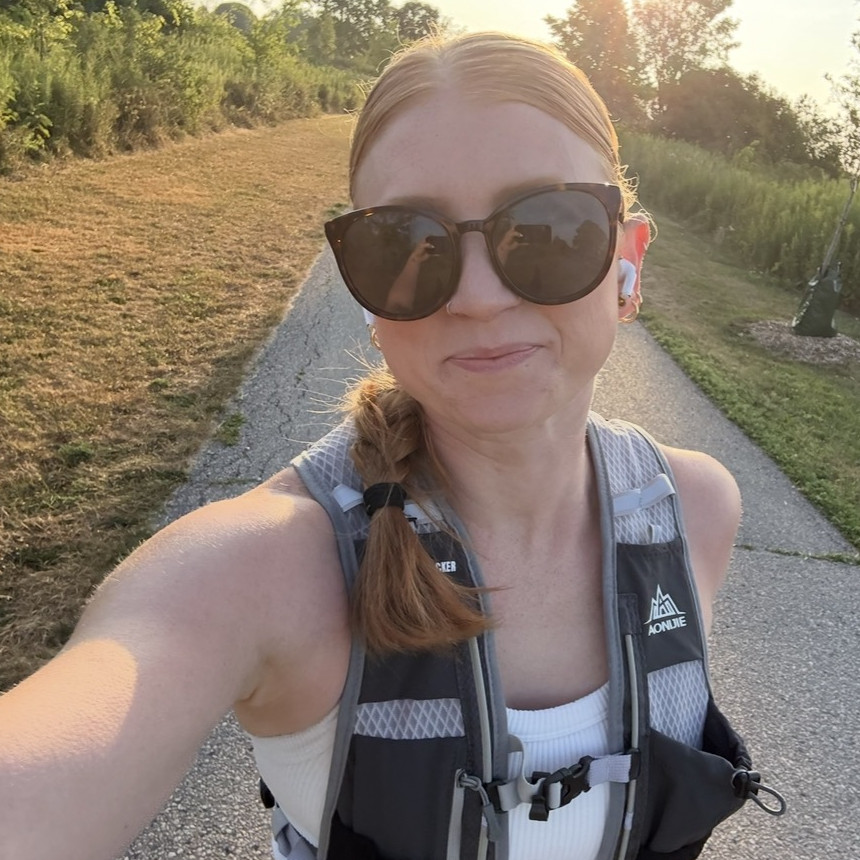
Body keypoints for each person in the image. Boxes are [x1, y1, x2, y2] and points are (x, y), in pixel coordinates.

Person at [0, 30, 782, 860]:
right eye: (408, 243)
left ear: (627, 263)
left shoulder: (696, 510)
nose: (478, 297)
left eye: (549, 228)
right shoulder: (262, 567)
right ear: (368, 298)